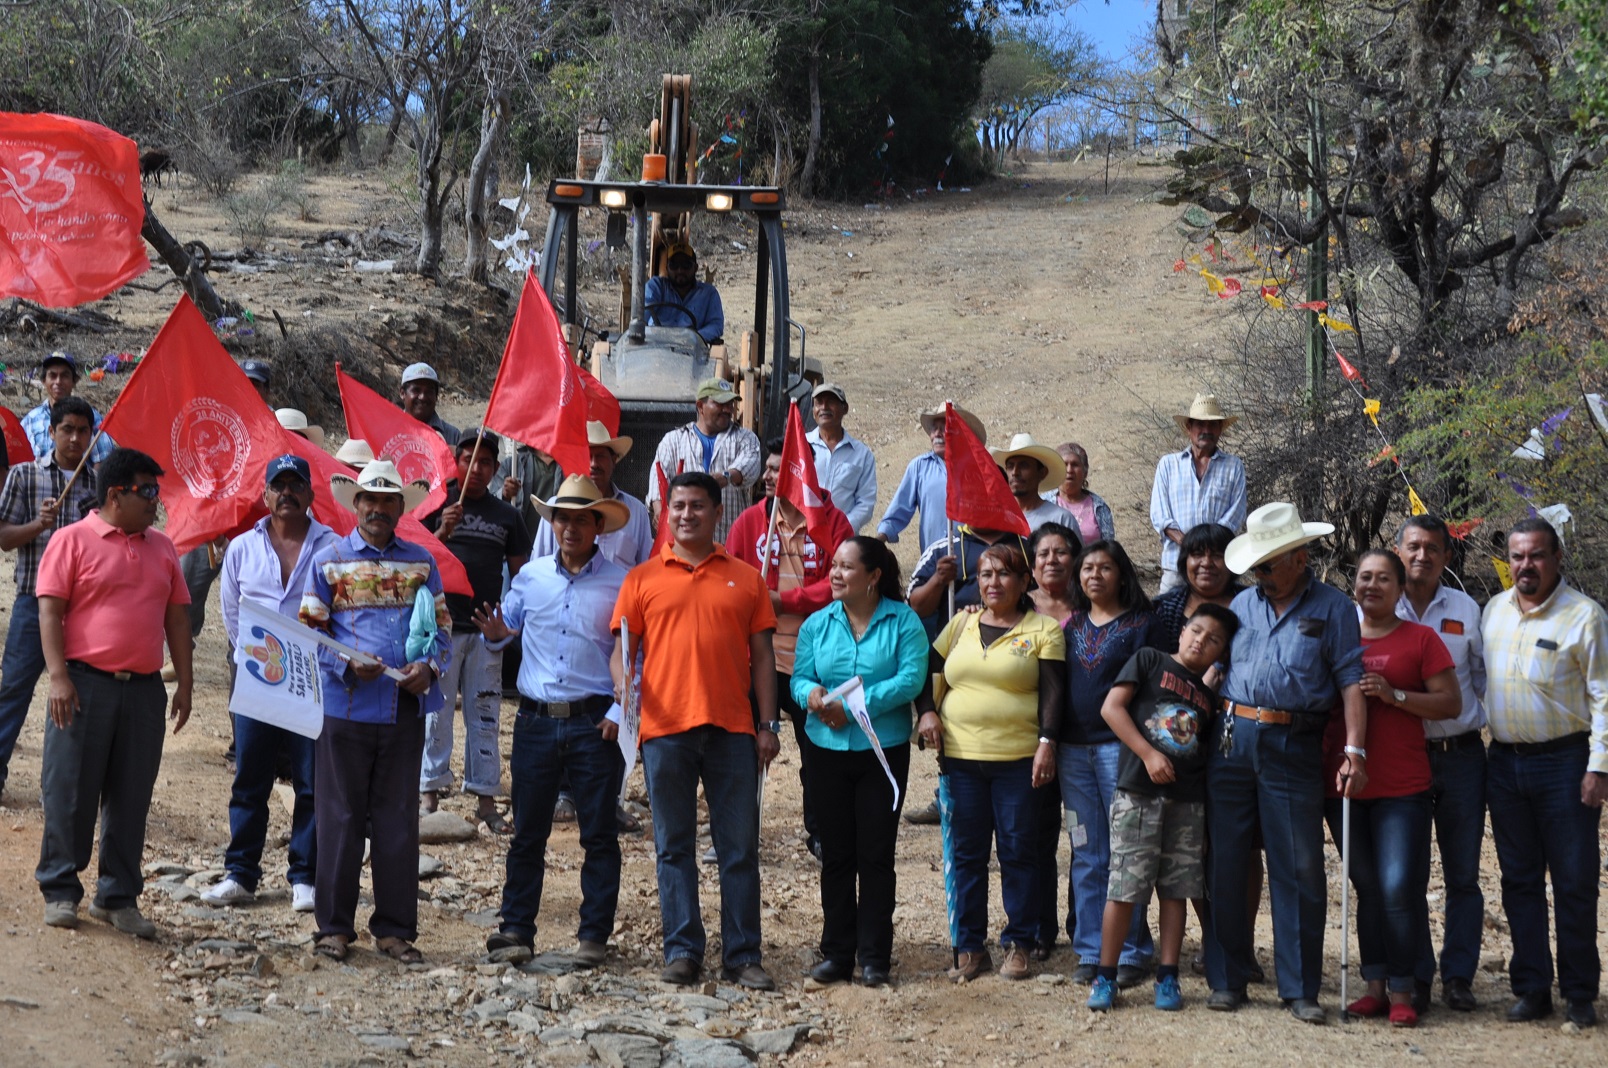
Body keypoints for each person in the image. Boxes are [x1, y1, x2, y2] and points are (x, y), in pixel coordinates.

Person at [611, 471, 780, 990]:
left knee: (738, 848)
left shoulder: (746, 578)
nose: (686, 515)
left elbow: (763, 658)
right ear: (668, 512)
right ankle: (682, 950)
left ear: (716, 512)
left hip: (733, 730)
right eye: (678, 506)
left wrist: (768, 724)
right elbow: (622, 650)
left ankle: (743, 954)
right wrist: (625, 691)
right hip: (664, 730)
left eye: (697, 506)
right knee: (673, 846)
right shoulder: (642, 578)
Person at [1205, 502, 1365, 1025]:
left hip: (1295, 743)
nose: (1259, 574)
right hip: (1231, 740)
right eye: (1256, 565)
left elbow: (1349, 683)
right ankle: (1227, 979)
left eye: (1268, 564)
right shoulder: (1242, 605)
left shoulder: (1335, 608)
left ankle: (1299, 989)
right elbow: (1217, 668)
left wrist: (1354, 751)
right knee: (1226, 861)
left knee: (1298, 867)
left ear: (1298, 557)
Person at [35, 448, 192, 937]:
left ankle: (118, 897)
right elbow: (49, 611)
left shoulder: (163, 547)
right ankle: (61, 889)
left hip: (143, 692)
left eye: (157, 492)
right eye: (146, 491)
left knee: (130, 797)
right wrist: (58, 676)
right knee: (71, 791)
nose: (155, 501)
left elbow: (177, 617)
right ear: (114, 494)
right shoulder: (71, 540)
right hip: (83, 686)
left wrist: (185, 682)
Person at [299, 460, 450, 964]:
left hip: (403, 711)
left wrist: (429, 666)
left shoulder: (423, 562)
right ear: (355, 504)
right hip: (344, 711)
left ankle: (394, 930)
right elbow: (309, 634)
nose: (379, 509)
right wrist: (344, 663)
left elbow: (443, 630)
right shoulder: (329, 558)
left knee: (398, 821)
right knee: (338, 818)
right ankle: (334, 928)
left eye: (389, 501)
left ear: (400, 508)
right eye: (370, 499)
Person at [478, 475, 631, 965]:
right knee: (528, 831)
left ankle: (593, 937)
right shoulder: (531, 577)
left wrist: (619, 710)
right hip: (535, 722)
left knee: (599, 834)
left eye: (581, 518)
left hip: (595, 724)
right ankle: (516, 929)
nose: (570, 527)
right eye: (562, 517)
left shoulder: (623, 582)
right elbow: (503, 631)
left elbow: (636, 654)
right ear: (554, 523)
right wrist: (499, 634)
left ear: (598, 526)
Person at [1323, 549, 1461, 1028]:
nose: (1372, 586)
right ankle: (1375, 985)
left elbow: (1450, 703)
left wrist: (1395, 695)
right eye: (1363, 577)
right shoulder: (1337, 638)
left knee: (1399, 885)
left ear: (1401, 589)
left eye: (1384, 578)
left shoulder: (1420, 639)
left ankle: (1405, 988)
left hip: (1403, 785)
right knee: (1366, 886)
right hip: (1345, 786)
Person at [916, 544, 1063, 982]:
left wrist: (1047, 742)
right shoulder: (961, 623)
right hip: (960, 762)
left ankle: (1019, 942)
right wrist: (926, 711)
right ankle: (970, 947)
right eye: (984, 574)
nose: (992, 582)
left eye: (1003, 574)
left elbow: (1054, 691)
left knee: (1018, 851)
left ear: (1023, 582)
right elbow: (929, 665)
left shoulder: (1044, 629)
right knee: (967, 855)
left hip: (1018, 761)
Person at [1481, 517, 1607, 1028]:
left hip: (1566, 763)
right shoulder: (1493, 610)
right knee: (1519, 881)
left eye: (1535, 556)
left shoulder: (1585, 617)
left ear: (1556, 558)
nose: (1524, 566)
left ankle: (1579, 993)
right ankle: (1532, 987)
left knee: (1575, 880)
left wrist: (1600, 766)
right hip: (1505, 762)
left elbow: (1604, 696)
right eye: (1517, 556)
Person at [1087, 603, 1239, 1012]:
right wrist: (1148, 755)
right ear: (1183, 630)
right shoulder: (1150, 659)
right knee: (1124, 888)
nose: (1200, 642)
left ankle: (1168, 976)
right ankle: (1106, 974)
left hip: (1187, 803)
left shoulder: (1209, 697)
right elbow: (1111, 709)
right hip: (1138, 793)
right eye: (1196, 631)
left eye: (1213, 640)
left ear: (1221, 652)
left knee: (1177, 889)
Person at [203, 455, 338, 912]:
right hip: (257, 679)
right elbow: (232, 614)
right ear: (265, 495)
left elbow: (339, 617)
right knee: (250, 777)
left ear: (310, 494)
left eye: (296, 484)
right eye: (278, 485)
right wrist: (250, 662)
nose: (287, 493)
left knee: (311, 782)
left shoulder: (333, 548)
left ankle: (305, 877)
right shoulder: (242, 547)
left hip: (310, 679)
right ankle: (240, 873)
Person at [791, 537, 927, 986]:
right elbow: (801, 677)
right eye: (833, 566)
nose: (835, 574)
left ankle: (874, 956)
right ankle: (836, 953)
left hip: (881, 752)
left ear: (873, 577)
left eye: (846, 567)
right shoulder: (817, 623)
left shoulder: (903, 621)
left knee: (875, 855)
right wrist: (810, 695)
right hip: (825, 752)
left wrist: (851, 706)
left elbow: (910, 679)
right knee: (836, 856)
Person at [727, 438, 853, 860]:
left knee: (817, 750)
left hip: (814, 656)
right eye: (767, 467)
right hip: (757, 654)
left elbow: (842, 584)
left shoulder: (834, 524)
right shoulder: (749, 521)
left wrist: (787, 601)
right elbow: (730, 576)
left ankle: (821, 833)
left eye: (780, 469)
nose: (768, 476)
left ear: (805, 475)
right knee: (743, 750)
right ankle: (737, 833)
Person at [1394, 515, 1488, 1013]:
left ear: (1447, 556)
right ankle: (1420, 974)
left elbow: (1482, 680)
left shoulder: (1468, 610)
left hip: (1463, 757)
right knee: (1409, 873)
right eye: (1413, 546)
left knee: (1463, 875)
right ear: (1398, 549)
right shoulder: (1381, 609)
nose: (1422, 556)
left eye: (1433, 548)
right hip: (1405, 757)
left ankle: (1459, 977)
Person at [1057, 539, 1159, 987]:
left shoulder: (1143, 625)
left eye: (1104, 568)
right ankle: (1092, 950)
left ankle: (1132, 951)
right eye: (1086, 568)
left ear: (1122, 574)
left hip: (1120, 751)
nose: (1094, 575)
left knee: (1126, 853)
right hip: (1072, 753)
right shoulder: (1071, 625)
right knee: (1086, 850)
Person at [420, 430, 532, 831]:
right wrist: (441, 532)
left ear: (496, 468)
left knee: (484, 712)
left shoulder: (508, 516)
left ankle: (486, 799)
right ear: (456, 462)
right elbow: (416, 561)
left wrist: (508, 623)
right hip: (442, 626)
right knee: (436, 713)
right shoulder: (438, 505)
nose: (477, 469)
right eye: (469, 460)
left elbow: (522, 576)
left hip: (487, 630)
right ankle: (429, 794)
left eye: (485, 462)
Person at [0, 397, 99, 800]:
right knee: (13, 691)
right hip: (31, 602)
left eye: (82, 431)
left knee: (78, 698)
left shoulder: (100, 483)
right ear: (52, 432)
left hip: (84, 609)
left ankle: (63, 788)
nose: (75, 438)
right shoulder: (24, 476)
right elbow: (4, 539)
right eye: (67, 430)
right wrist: (35, 525)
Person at [1025, 522, 1081, 959]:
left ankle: (1084, 926)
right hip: (1034, 741)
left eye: (1060, 552)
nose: (1051, 561)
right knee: (1038, 838)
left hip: (1085, 741)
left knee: (1084, 837)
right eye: (1043, 553)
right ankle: (1040, 927)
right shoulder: (1016, 607)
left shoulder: (1094, 604)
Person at [1149, 393, 1246, 594]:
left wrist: (1207, 549)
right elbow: (1160, 516)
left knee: (1217, 619)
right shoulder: (1168, 465)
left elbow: (1235, 515)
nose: (1206, 431)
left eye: (1212, 426)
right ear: (1189, 428)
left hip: (1216, 566)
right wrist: (1189, 545)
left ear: (1220, 429)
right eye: (1200, 425)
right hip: (1175, 563)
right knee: (1168, 619)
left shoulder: (1233, 466)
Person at [645, 378, 761, 543]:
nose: (727, 410)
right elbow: (657, 479)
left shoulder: (745, 438)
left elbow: (750, 466)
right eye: (720, 404)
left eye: (730, 404)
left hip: (729, 546)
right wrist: (659, 510)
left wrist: (726, 477)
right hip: (684, 547)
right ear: (700, 406)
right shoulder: (673, 440)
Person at [531, 422, 653, 569]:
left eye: (600, 456)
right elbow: (538, 565)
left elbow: (646, 569)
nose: (594, 464)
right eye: (587, 456)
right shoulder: (556, 508)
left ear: (613, 460)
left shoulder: (636, 511)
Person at [876, 405, 986, 553]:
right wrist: (878, 540)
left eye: (945, 428)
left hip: (972, 561)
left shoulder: (980, 469)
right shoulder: (919, 467)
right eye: (934, 429)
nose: (937, 434)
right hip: (933, 560)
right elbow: (900, 509)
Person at [1151, 523, 1243, 652]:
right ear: (1185, 561)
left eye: (1217, 556)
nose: (1206, 563)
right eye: (1198, 554)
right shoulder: (1164, 608)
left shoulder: (1254, 604)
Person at [807, 384, 878, 533]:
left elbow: (866, 502)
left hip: (842, 538)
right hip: (804, 534)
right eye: (819, 402)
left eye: (831, 402)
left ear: (845, 409)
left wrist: (843, 527)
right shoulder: (800, 446)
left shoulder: (862, 454)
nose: (824, 407)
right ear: (813, 411)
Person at [21, 353, 115, 465]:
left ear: (74, 381)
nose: (58, 382)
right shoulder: (30, 420)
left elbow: (103, 463)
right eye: (53, 376)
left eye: (64, 376)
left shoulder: (91, 418)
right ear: (43, 381)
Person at [991, 434, 1078, 532]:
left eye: (1024, 466)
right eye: (1010, 467)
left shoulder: (1061, 519)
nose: (1015, 472)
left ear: (1042, 473)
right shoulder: (996, 518)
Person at [645, 242, 724, 343]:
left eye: (686, 265)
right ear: (667, 268)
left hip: (690, 350)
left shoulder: (708, 293)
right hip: (655, 347)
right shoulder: (656, 286)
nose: (680, 270)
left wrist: (695, 337)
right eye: (674, 266)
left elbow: (716, 325)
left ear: (695, 268)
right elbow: (641, 315)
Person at [1043, 442, 1114, 547]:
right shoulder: (1044, 503)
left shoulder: (1099, 507)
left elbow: (1109, 548)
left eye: (1075, 465)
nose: (1069, 470)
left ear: (1085, 472)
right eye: (1064, 464)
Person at [499, 444, 564, 540]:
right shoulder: (512, 464)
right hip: (517, 546)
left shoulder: (572, 466)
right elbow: (489, 507)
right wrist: (504, 494)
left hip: (557, 545)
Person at [398, 363, 462, 446]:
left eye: (429, 391)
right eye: (416, 390)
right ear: (402, 393)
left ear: (436, 396)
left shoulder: (452, 436)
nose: (423, 397)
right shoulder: (387, 432)